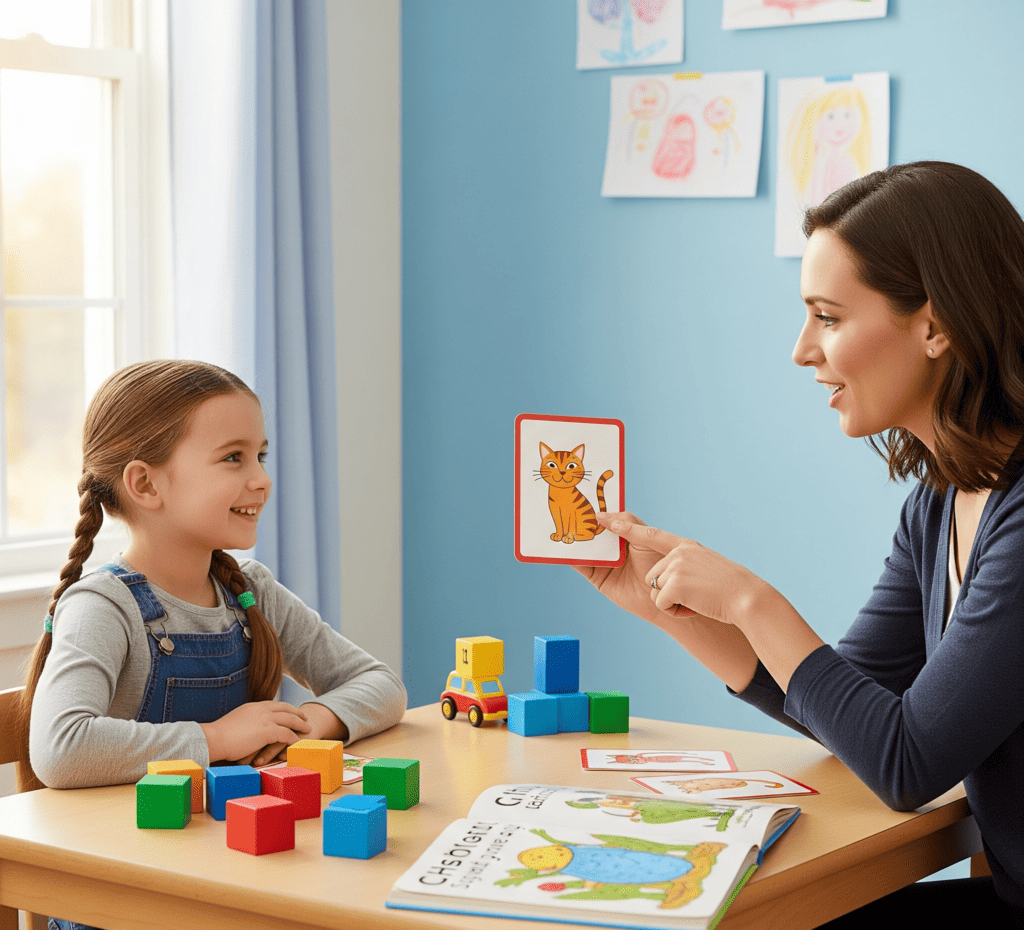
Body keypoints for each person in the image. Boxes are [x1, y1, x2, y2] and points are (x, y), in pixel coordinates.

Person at [576, 162, 1024, 924]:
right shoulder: (940, 502)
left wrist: (750, 600)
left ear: (935, 323)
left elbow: (906, 764)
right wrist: (675, 608)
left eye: (829, 316)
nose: (802, 350)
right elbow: (844, 706)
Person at [17, 359, 406, 796]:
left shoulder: (251, 591)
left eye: (260, 456)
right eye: (233, 458)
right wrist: (217, 737)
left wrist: (311, 721)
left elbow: (383, 685)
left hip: (229, 841)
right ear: (145, 484)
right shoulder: (103, 607)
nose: (262, 479)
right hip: (136, 849)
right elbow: (61, 750)